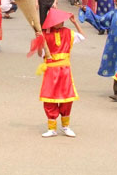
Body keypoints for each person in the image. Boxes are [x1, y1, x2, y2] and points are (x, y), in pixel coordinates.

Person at [35, 9, 85, 138]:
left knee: (66, 99)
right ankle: (52, 128)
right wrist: (39, 42)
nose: (61, 22)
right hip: (51, 71)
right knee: (49, 98)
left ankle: (65, 126)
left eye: (62, 20)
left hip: (65, 72)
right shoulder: (44, 35)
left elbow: (82, 36)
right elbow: (40, 54)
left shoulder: (68, 32)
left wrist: (75, 23)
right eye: (58, 21)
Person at [79, 0, 117, 101]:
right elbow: (100, 20)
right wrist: (87, 11)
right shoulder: (112, 13)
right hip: (114, 44)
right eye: (116, 1)